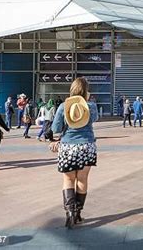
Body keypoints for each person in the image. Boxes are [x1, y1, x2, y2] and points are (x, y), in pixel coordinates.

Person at [52, 77, 98, 229]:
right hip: (87, 146)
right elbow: (95, 119)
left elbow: (55, 129)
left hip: (68, 147)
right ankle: (78, 213)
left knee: (68, 179)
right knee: (82, 179)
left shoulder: (63, 107)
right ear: (86, 91)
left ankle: (70, 212)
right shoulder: (91, 106)